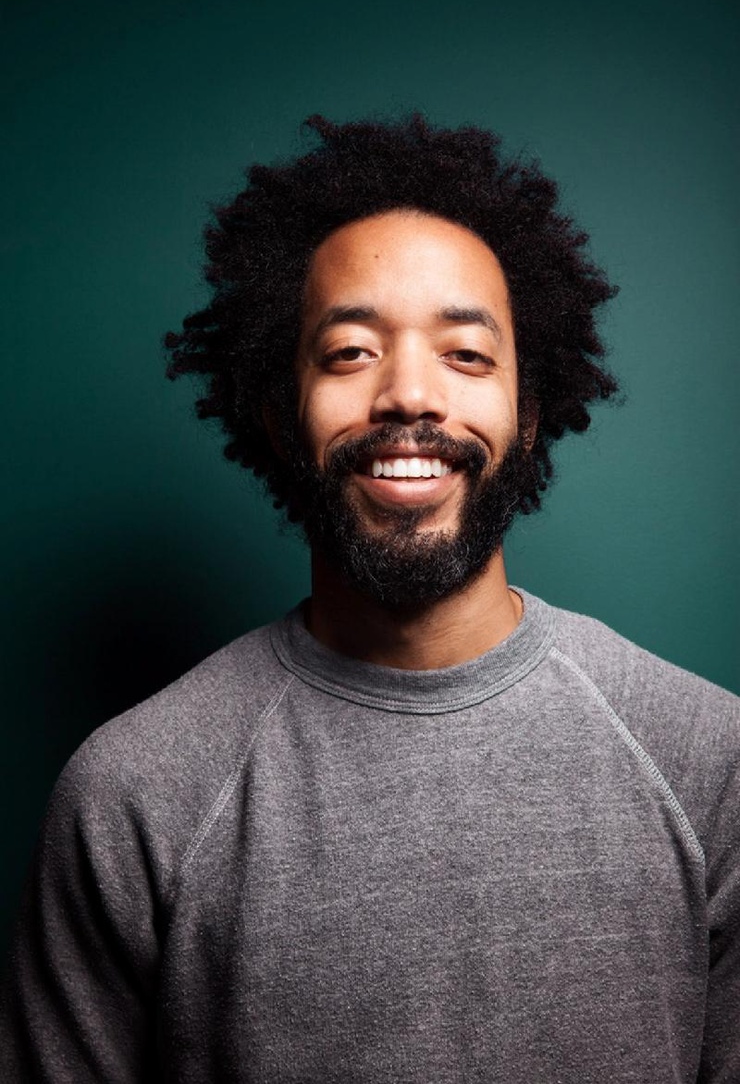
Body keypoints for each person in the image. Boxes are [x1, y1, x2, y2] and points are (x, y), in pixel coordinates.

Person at [2, 115, 738, 1083]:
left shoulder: (707, 760)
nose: (408, 396)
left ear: (527, 416)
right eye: (350, 351)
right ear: (280, 416)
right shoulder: (132, 793)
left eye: (465, 354)